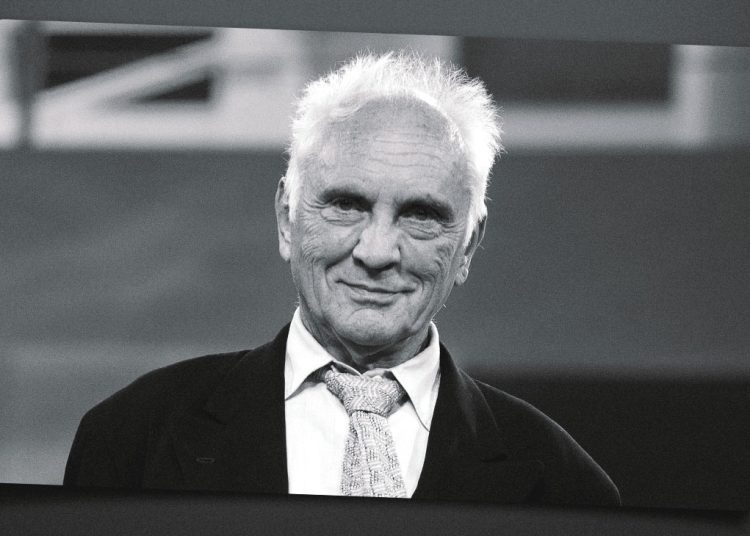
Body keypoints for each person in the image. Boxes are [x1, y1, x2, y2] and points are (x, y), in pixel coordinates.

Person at [64, 52, 620, 506]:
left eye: (421, 215)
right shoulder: (132, 440)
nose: (376, 252)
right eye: (347, 205)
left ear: (468, 245)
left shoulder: (565, 487)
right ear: (287, 218)